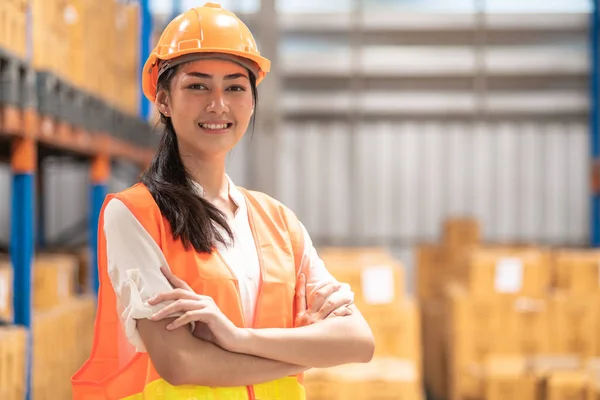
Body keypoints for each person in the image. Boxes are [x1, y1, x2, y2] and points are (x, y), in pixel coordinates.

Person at [71, 3, 375, 399]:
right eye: (197, 86)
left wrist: (235, 337)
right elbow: (181, 363)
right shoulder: (135, 214)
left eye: (234, 86)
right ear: (163, 100)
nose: (218, 104)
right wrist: (306, 350)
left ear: (251, 100)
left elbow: (358, 341)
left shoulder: (279, 222)